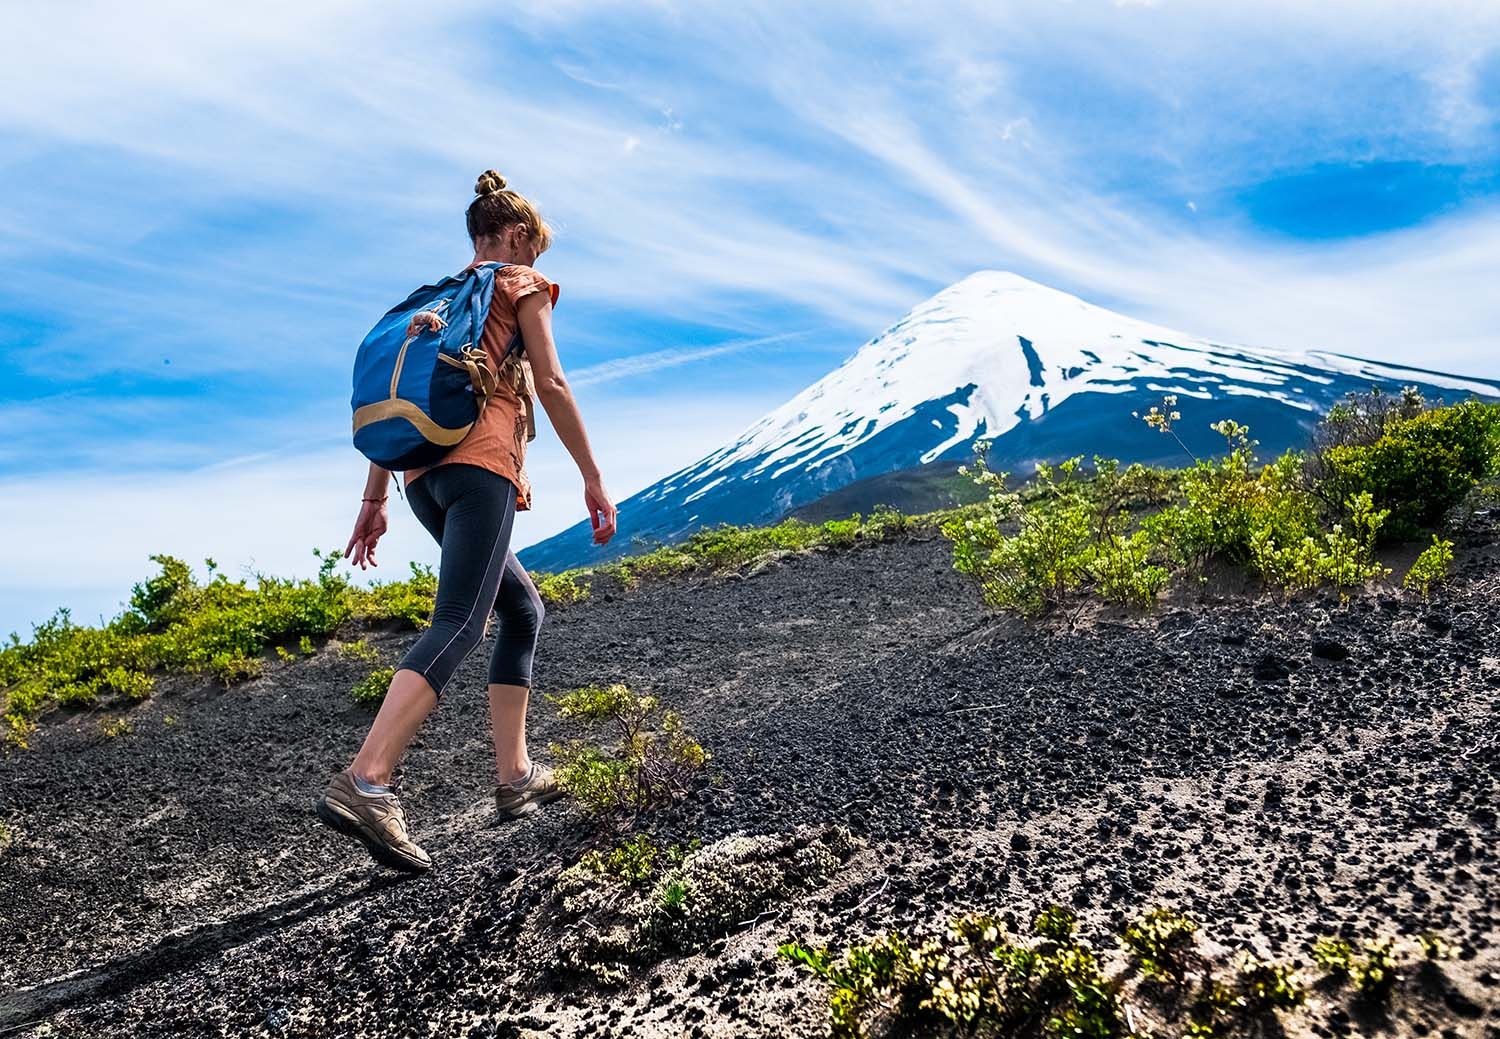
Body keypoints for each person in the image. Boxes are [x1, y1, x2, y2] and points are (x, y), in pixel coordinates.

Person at [316, 169, 617, 873]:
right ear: (514, 237)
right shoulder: (517, 284)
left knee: (521, 607)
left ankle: (515, 776)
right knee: (458, 621)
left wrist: (376, 497)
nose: (534, 265)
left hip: (422, 476)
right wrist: (593, 477)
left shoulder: (436, 299)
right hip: (479, 469)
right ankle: (368, 777)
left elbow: (405, 392)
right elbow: (552, 381)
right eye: (532, 250)